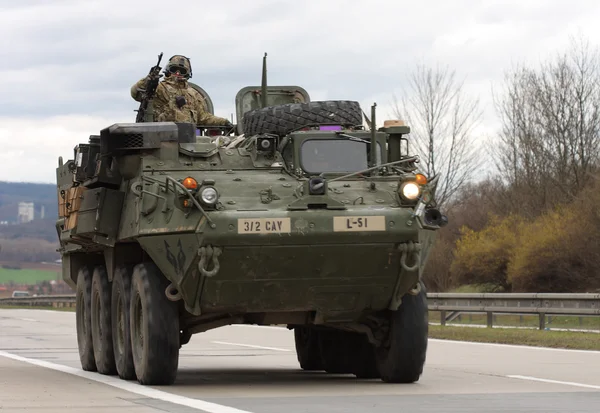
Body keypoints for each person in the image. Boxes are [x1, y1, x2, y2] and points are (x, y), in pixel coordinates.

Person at [130, 55, 233, 127]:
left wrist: (223, 121)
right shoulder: (159, 88)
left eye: (182, 71)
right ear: (168, 71)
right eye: (174, 70)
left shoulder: (193, 94)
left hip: (189, 141)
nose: (178, 74)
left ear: (187, 74)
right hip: (162, 139)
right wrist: (148, 79)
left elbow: (203, 117)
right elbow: (136, 93)